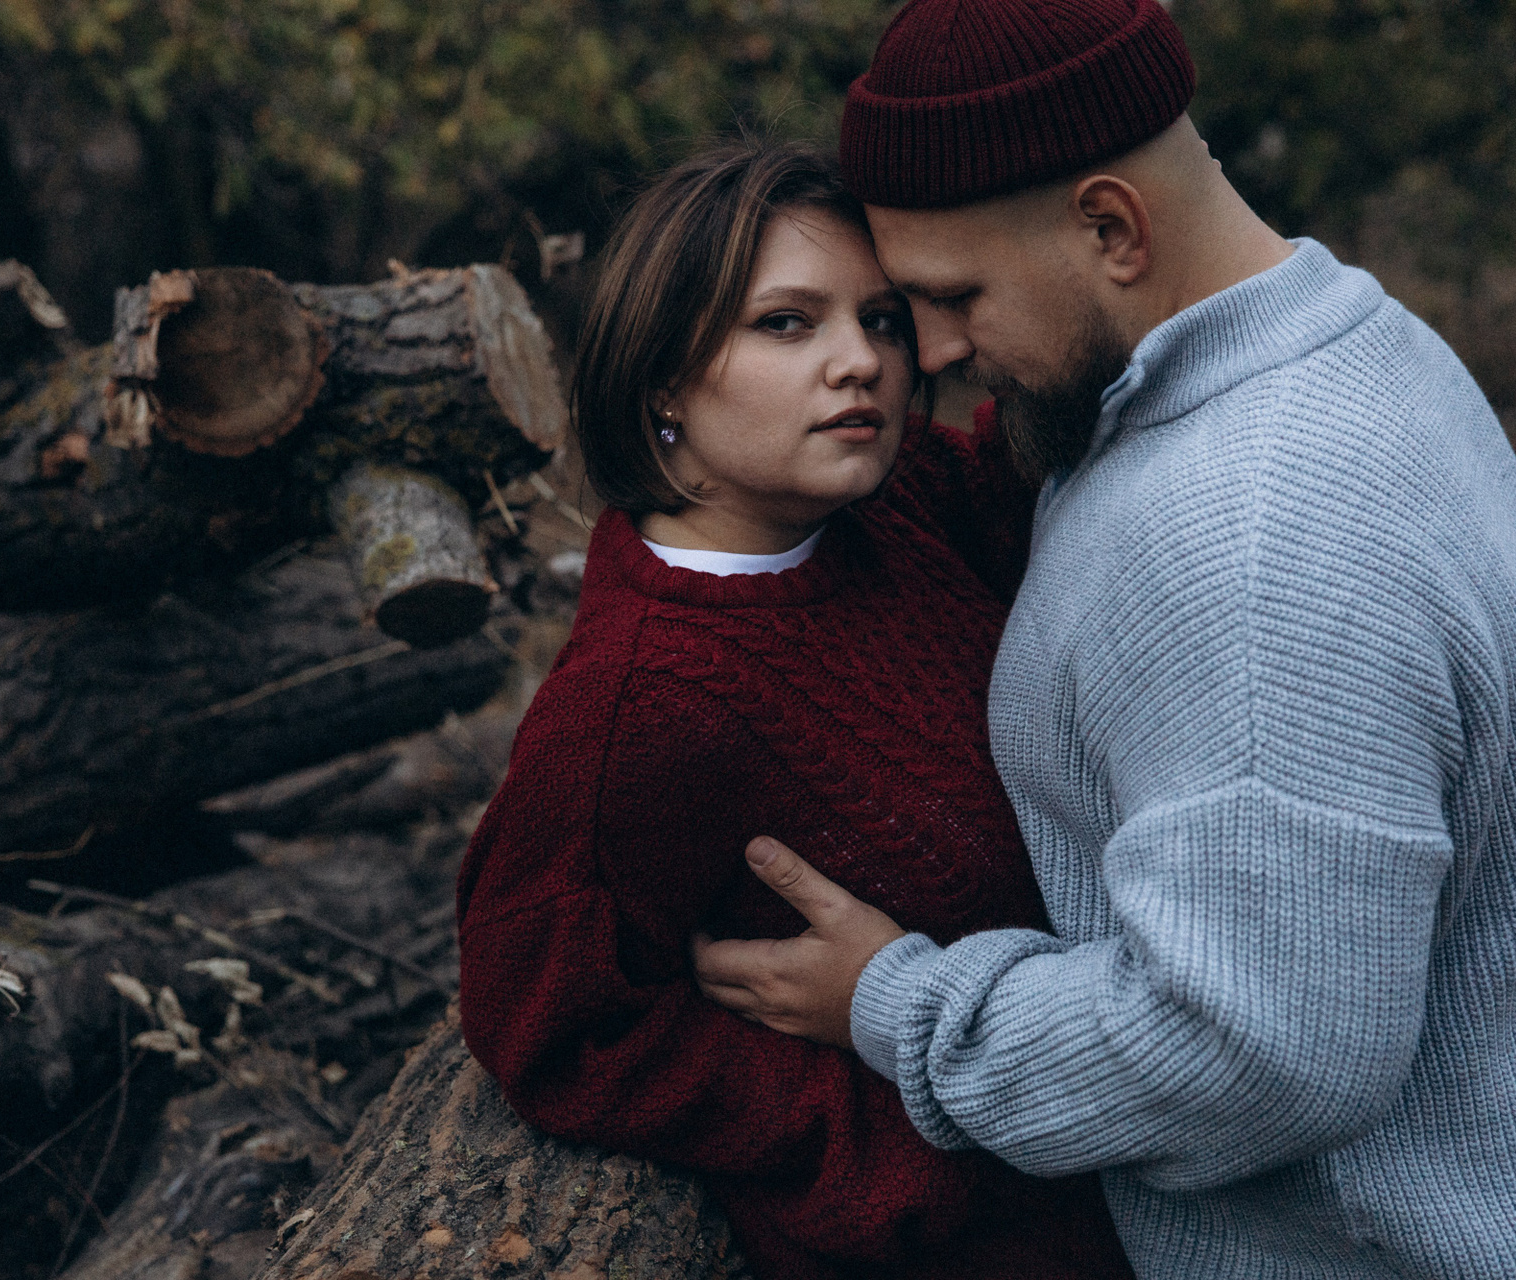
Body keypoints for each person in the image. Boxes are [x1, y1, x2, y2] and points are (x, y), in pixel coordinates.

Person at [691, 0, 1516, 1276]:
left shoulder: (1248, 532)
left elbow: (1252, 1050)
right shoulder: (1346, 339)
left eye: (954, 296)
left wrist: (899, 1003)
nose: (935, 353)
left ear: (1112, 228)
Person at [455, 144, 1134, 1278]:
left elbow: (1037, 472)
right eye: (786, 323)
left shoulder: (891, 502)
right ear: (662, 379)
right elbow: (550, 1023)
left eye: (881, 320)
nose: (860, 361)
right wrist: (881, 1154)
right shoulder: (642, 707)